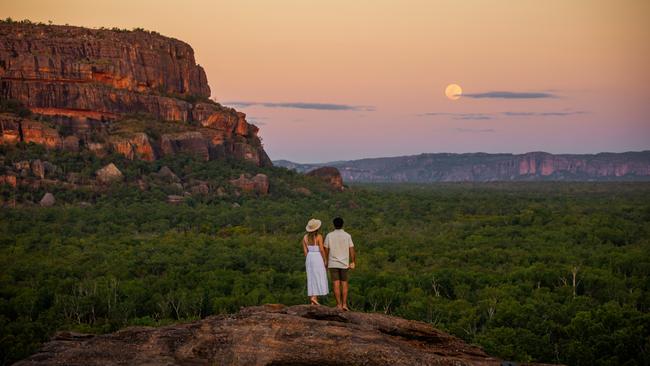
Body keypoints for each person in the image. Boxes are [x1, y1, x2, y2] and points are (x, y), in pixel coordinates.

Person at [324, 217, 356, 311]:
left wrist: (325, 261)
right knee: (344, 283)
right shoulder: (347, 235)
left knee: (336, 283)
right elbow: (352, 249)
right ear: (343, 224)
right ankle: (345, 304)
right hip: (344, 263)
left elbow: (326, 249)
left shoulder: (329, 235)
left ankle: (338, 304)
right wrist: (353, 261)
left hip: (333, 263)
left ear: (334, 225)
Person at [302, 218, 329, 305]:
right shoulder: (319, 237)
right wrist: (325, 260)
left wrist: (308, 260)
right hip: (317, 257)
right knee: (318, 276)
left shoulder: (305, 237)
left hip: (309, 257)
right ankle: (314, 297)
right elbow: (321, 249)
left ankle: (313, 298)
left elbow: (305, 251)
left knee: (311, 277)